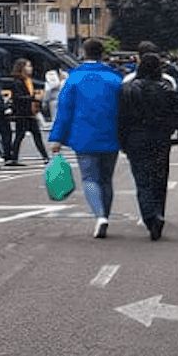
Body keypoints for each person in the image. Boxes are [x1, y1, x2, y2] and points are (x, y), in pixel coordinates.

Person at [48, 38, 124, 239]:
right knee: (106, 179)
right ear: (102, 54)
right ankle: (105, 213)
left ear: (84, 52)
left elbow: (64, 111)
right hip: (111, 134)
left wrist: (57, 138)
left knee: (90, 177)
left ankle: (99, 216)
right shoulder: (115, 79)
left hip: (83, 135)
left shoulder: (73, 80)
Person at [117, 51, 178, 242]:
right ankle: (159, 213)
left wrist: (122, 141)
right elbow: (175, 114)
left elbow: (122, 118)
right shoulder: (166, 89)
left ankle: (150, 217)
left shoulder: (128, 89)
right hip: (160, 138)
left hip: (136, 137)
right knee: (160, 178)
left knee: (142, 180)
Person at [9, 58, 49, 164]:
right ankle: (13, 158)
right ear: (21, 68)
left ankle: (45, 156)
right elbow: (18, 97)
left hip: (29, 112)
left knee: (35, 134)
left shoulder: (28, 80)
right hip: (22, 113)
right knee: (20, 135)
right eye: (28, 66)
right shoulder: (17, 82)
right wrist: (33, 97)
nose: (30, 68)